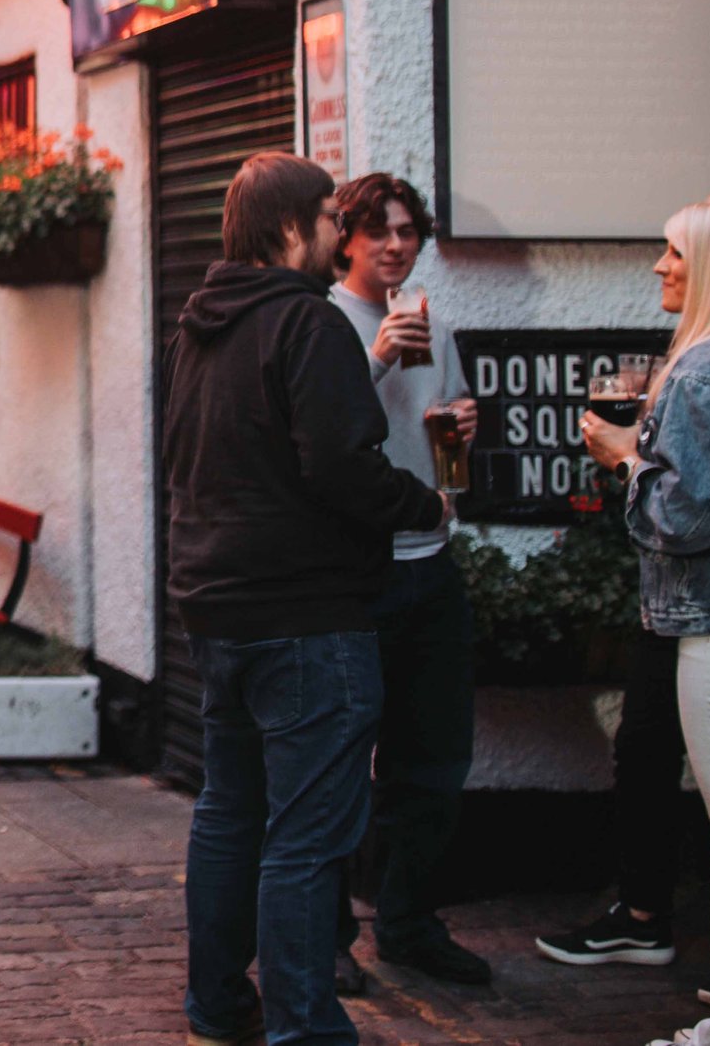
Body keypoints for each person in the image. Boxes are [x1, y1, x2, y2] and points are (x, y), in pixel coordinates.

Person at [163, 153, 449, 1046]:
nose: (340, 230)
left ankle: (217, 1004)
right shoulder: (310, 324)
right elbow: (340, 468)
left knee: (229, 813)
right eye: (330, 215)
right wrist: (421, 502)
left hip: (218, 606)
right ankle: (303, 1027)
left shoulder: (201, 325)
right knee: (304, 835)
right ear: (292, 229)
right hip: (306, 618)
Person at [538, 178, 710, 974]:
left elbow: (686, 519)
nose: (658, 266)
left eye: (675, 250)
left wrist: (627, 460)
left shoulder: (706, 368)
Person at [326, 173, 488, 990]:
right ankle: (327, 938)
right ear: (345, 238)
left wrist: (461, 421)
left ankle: (409, 922)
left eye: (408, 232)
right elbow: (324, 430)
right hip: (360, 572)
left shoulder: (434, 323)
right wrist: (379, 355)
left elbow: (444, 425)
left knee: (432, 761)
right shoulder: (327, 323)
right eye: (378, 231)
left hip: (431, 560)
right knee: (342, 761)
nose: (395, 245)